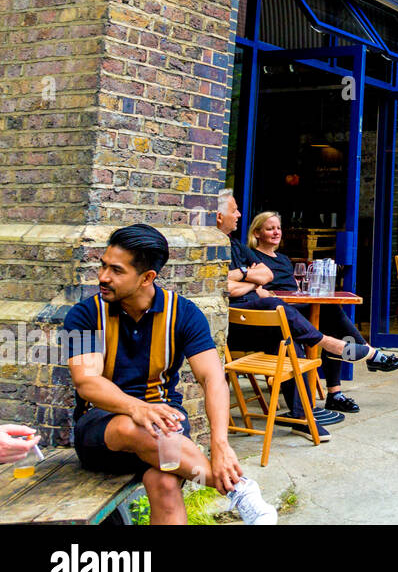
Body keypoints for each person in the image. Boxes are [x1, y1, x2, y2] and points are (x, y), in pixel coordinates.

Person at [62, 224, 277, 525]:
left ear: (147, 277)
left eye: (116, 270)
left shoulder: (184, 314)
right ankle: (238, 489)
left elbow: (212, 378)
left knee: (165, 484)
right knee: (132, 427)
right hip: (102, 431)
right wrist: (137, 408)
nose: (103, 277)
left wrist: (220, 443)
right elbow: (87, 382)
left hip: (167, 426)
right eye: (103, 266)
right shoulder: (83, 315)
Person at [241, 211, 398, 424]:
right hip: (275, 316)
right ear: (257, 232)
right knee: (331, 315)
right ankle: (369, 356)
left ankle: (337, 392)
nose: (276, 232)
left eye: (278, 228)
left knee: (332, 318)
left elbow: (294, 286)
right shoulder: (253, 257)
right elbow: (257, 288)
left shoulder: (283, 259)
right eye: (270, 228)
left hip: (296, 309)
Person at [218, 191, 343, 432]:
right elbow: (226, 289)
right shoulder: (211, 248)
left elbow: (266, 275)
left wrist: (244, 276)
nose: (239, 214)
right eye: (234, 210)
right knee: (271, 305)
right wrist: (251, 281)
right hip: (232, 326)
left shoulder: (235, 245)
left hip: (257, 323)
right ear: (218, 216)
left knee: (288, 344)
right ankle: (326, 342)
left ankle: (301, 417)